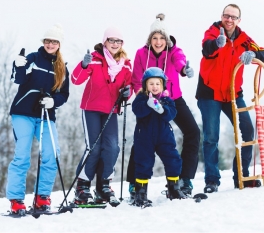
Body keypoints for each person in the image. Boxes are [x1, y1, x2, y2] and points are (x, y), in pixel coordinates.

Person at [196, 4, 264, 193]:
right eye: (226, 16)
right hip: (210, 92)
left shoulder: (244, 39)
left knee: (247, 131)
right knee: (211, 137)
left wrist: (253, 54)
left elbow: (263, 53)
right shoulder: (212, 32)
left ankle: (241, 177)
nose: (229, 20)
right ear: (222, 16)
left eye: (233, 17)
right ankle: (212, 180)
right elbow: (206, 49)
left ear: (238, 20)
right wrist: (217, 44)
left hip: (233, 93)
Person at [127, 13, 200, 197]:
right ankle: (134, 183)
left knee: (193, 132)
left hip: (172, 98)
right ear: (150, 39)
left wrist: (185, 69)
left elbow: (180, 63)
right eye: (155, 38)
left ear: (167, 39)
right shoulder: (141, 54)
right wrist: (143, 98)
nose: (158, 42)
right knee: (142, 137)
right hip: (148, 100)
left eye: (162, 38)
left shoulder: (174, 51)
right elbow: (136, 79)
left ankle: (184, 179)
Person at [6, 24, 69, 214]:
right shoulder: (33, 58)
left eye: (54, 42)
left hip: (45, 115)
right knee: (22, 155)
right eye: (48, 41)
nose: (50, 44)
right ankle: (16, 200)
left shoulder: (62, 68)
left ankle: (42, 197)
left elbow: (63, 95)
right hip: (23, 113)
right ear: (43, 42)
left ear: (59, 44)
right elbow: (19, 79)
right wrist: (17, 65)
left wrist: (53, 102)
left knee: (51, 154)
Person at [71, 27, 132, 205]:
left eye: (118, 41)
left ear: (122, 44)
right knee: (94, 148)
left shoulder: (126, 63)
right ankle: (82, 186)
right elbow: (76, 80)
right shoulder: (95, 60)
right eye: (111, 40)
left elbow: (129, 88)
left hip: (111, 110)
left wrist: (128, 92)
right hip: (91, 109)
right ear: (105, 42)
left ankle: (104, 185)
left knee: (112, 147)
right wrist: (83, 65)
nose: (114, 44)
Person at [132, 67, 187, 206]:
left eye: (158, 84)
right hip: (144, 137)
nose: (154, 87)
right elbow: (137, 110)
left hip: (164, 136)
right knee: (143, 162)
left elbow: (172, 113)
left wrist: (162, 109)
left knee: (173, 159)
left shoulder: (167, 99)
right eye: (151, 84)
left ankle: (174, 188)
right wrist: (147, 105)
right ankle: (140, 193)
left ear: (162, 85)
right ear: (145, 85)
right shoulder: (141, 98)